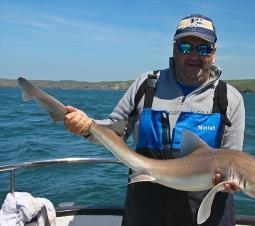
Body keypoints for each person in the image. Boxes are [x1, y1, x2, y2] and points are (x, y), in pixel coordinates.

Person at [64, 14, 245, 226]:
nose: (194, 55)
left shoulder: (229, 99)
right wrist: (87, 127)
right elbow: (115, 131)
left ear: (213, 54)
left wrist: (232, 183)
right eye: (186, 47)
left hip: (205, 211)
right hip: (146, 207)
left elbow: (235, 159)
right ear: (174, 49)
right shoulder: (146, 85)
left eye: (203, 49)